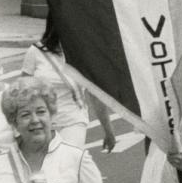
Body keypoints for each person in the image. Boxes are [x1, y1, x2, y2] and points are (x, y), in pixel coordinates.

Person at [20, 20, 116, 149]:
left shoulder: (85, 53)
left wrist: (108, 131)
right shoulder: (35, 51)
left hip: (73, 120)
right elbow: (23, 92)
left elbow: (95, 95)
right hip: (40, 124)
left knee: (67, 163)